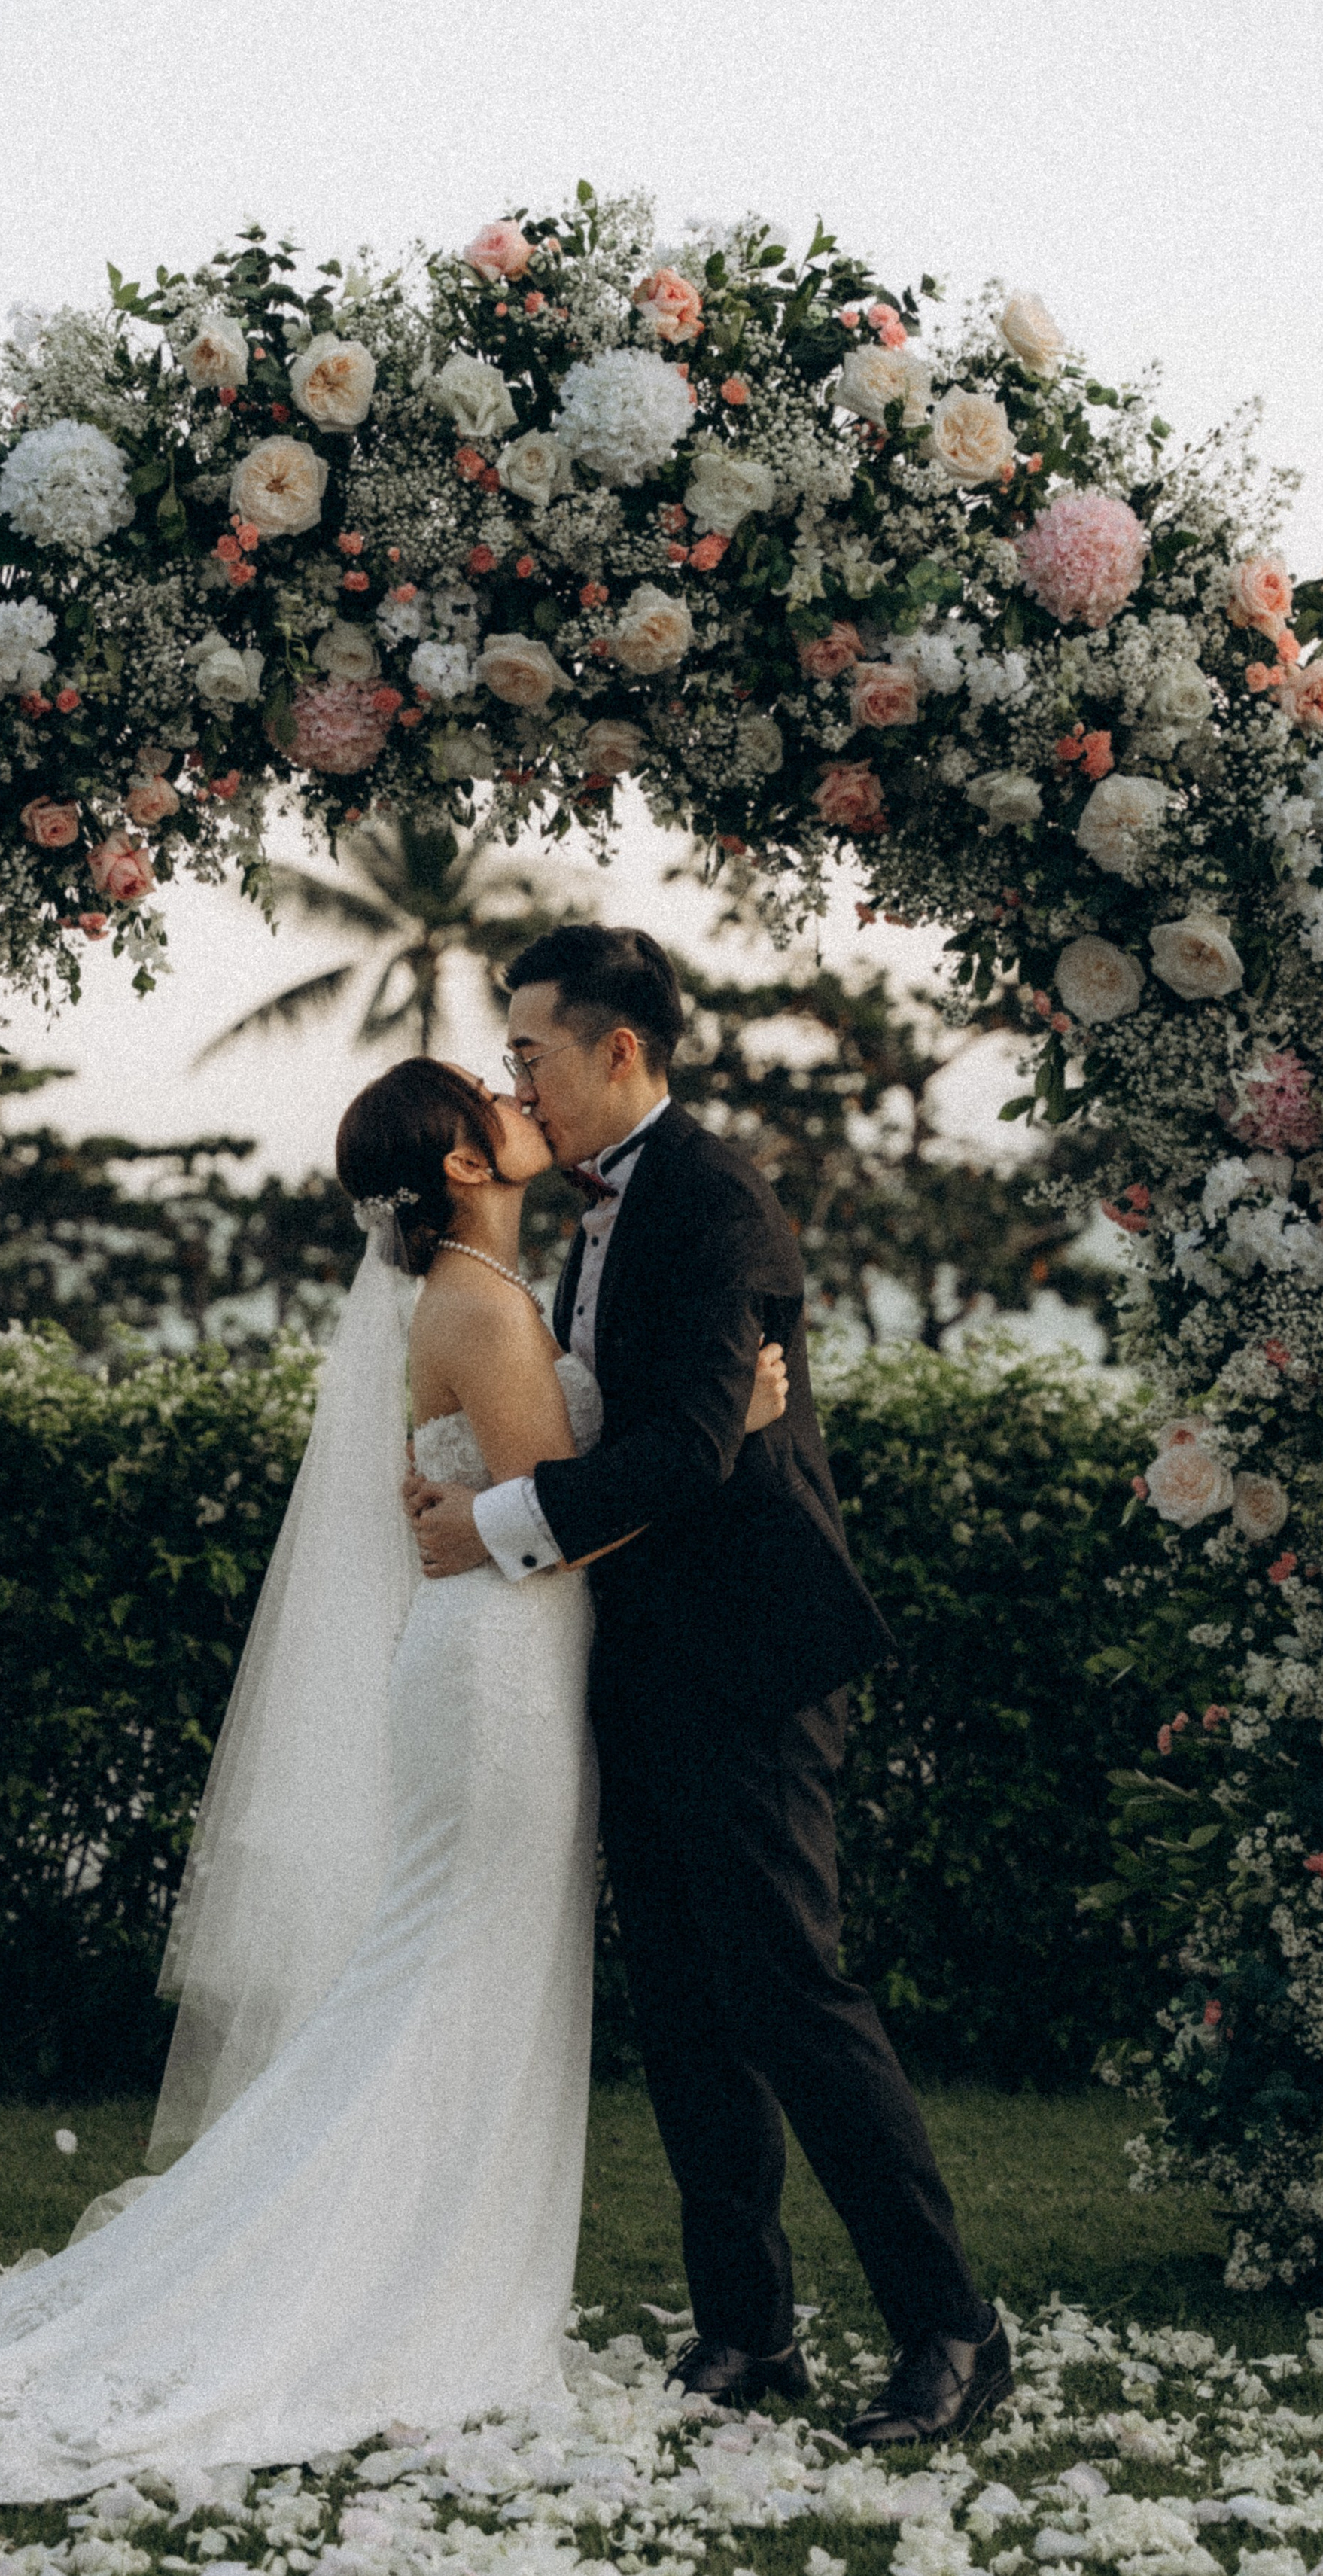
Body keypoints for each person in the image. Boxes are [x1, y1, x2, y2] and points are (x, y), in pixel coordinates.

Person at [0, 1059, 786, 2523]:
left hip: (498, 1663)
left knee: (455, 1975)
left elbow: (508, 1503)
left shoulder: (476, 1291)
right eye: (486, 1099)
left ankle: (409, 2269)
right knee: (454, 1977)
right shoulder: (481, 1305)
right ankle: (381, 2290)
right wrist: (723, 1430)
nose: (516, 1101)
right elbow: (566, 1522)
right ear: (451, 1169)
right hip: (502, 1673)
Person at [406, 925, 1012, 2450]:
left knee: (790, 1994)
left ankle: (948, 2326)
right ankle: (744, 2331)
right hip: (643, 1656)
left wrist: (480, 1531)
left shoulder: (710, 1198)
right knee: (683, 2006)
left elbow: (684, 1450)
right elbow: (652, 1425)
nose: (512, 1083)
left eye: (530, 1051)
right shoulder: (591, 1215)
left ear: (620, 1049)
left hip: (748, 1658)